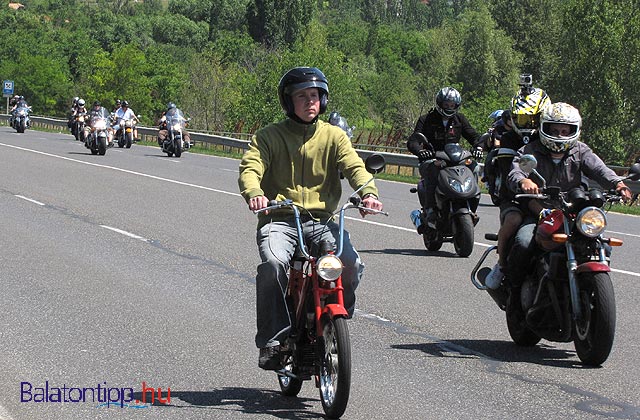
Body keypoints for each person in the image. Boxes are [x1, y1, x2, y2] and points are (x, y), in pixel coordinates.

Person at [238, 66, 383, 371]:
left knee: (350, 263)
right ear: (288, 101)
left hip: (322, 222)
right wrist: (254, 192)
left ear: (324, 100)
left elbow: (355, 167)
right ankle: (273, 341)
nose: (310, 102)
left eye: (315, 96)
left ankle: (334, 318)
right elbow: (251, 168)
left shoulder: (334, 136)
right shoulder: (268, 136)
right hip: (280, 219)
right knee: (273, 265)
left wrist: (368, 192)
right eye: (302, 96)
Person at [501, 102, 632, 295]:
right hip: (537, 210)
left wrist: (618, 184)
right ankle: (511, 286)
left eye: (565, 130)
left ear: (575, 130)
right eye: (554, 130)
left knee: (599, 243)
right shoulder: (530, 150)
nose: (560, 135)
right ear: (544, 128)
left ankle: (590, 290)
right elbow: (516, 171)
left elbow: (599, 169)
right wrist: (523, 181)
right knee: (524, 241)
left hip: (573, 211)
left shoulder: (580, 151)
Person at [485, 86, 551, 288]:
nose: (526, 125)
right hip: (515, 196)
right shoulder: (509, 138)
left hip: (546, 198)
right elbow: (509, 173)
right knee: (514, 221)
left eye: (531, 119)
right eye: (520, 119)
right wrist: (524, 185)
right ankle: (502, 265)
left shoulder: (550, 138)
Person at [406, 87, 482, 225]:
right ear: (440, 103)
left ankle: (471, 207)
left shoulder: (459, 119)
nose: (449, 107)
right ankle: (430, 210)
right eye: (446, 104)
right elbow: (413, 140)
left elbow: (473, 135)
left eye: (452, 105)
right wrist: (420, 151)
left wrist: (479, 146)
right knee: (431, 170)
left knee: (474, 167)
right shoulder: (426, 119)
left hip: (455, 159)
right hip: (433, 159)